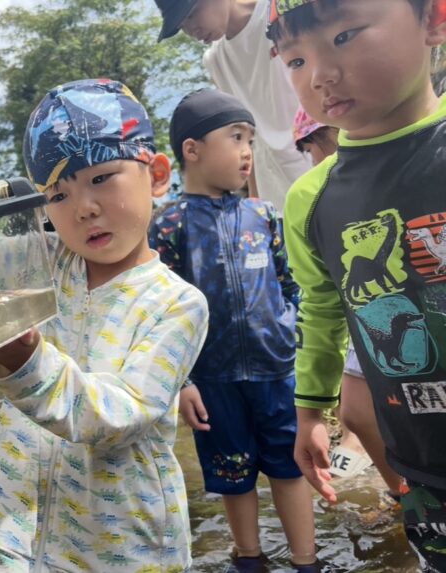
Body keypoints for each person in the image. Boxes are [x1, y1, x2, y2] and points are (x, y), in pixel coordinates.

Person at [0, 79, 210, 573]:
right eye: (58, 194)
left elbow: (122, 414)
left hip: (119, 549)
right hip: (11, 539)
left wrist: (28, 366)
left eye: (101, 178)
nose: (83, 208)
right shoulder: (42, 265)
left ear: (158, 175)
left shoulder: (178, 303)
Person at [268, 0, 446, 569]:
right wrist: (310, 412)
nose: (318, 75)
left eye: (344, 37)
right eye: (294, 59)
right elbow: (321, 312)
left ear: (433, 19)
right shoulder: (311, 199)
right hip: (421, 462)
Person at [149, 88, 318, 572]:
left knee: (290, 468)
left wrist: (293, 338)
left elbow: (290, 285)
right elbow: (162, 312)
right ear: (192, 149)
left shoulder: (262, 215)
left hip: (276, 371)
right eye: (235, 137)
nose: (248, 151)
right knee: (233, 476)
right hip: (214, 380)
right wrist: (182, 382)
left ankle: (307, 561)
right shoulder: (170, 225)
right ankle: (249, 558)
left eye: (251, 139)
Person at [293, 108, 405, 490]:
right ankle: (404, 496)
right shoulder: (312, 198)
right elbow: (321, 304)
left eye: (312, 151)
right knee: (357, 410)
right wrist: (310, 412)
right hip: (370, 314)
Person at [154, 0, 313, 212]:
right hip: (277, 194)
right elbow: (247, 135)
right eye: (182, 26)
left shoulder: (278, 10)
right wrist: (255, 203)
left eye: (192, 14)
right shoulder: (215, 59)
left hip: (323, 162)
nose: (192, 30)